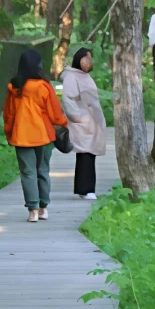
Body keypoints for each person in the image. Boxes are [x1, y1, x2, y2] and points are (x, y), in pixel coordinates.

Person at [3, 47, 68, 223]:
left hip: (21, 136)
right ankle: (43, 208)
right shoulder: (44, 87)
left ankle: (32, 211)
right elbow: (55, 113)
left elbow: (9, 115)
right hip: (44, 136)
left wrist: (9, 133)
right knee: (42, 170)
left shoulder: (14, 89)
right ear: (39, 65)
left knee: (28, 173)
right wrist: (64, 124)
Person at [61, 47, 107, 199]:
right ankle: (86, 190)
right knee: (85, 154)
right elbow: (68, 100)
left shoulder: (85, 77)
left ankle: (85, 189)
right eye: (86, 58)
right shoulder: (71, 77)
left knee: (89, 154)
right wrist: (79, 117)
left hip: (91, 121)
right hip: (82, 122)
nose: (89, 61)